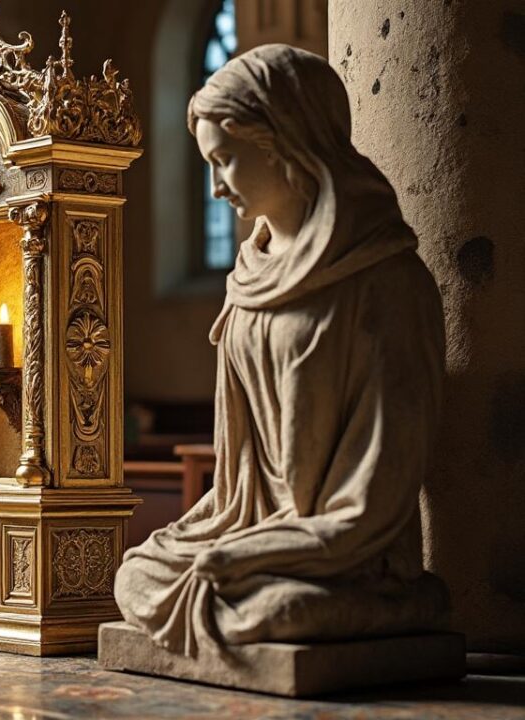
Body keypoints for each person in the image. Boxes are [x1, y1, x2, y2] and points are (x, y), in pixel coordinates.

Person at [113, 45, 449, 658]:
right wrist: (224, 543)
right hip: (254, 538)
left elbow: (375, 497)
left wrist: (247, 554)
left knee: (285, 608)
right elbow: (239, 485)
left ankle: (379, 603)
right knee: (137, 573)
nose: (215, 188)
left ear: (286, 142)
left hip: (343, 553)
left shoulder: (386, 283)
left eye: (226, 161)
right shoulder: (247, 283)